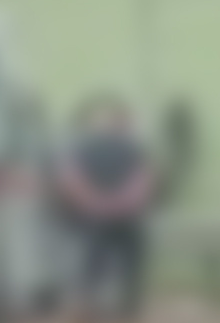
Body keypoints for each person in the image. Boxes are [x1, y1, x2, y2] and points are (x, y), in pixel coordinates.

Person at [53, 95, 156, 322]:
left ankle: (124, 303)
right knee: (96, 253)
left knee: (128, 253)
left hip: (118, 212)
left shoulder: (131, 147)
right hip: (100, 212)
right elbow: (70, 176)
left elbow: (143, 177)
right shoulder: (85, 146)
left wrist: (114, 202)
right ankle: (90, 302)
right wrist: (98, 202)